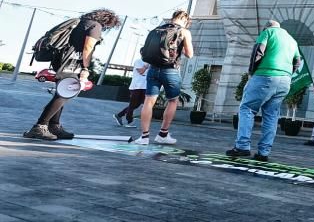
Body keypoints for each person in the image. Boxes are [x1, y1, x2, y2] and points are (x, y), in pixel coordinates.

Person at [24, 9, 122, 140]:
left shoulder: (81, 22)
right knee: (64, 95)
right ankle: (39, 127)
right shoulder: (95, 26)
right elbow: (88, 47)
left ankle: (54, 126)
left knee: (61, 94)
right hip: (71, 64)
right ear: (107, 22)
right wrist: (86, 68)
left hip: (60, 60)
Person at [226, 20, 300, 161]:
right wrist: (287, 74)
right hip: (285, 80)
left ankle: (242, 146)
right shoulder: (292, 40)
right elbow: (297, 62)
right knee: (271, 115)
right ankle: (263, 153)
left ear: (267, 27)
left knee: (247, 108)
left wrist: (251, 72)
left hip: (265, 76)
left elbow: (258, 52)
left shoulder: (267, 32)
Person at [133, 10, 194, 145]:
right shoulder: (184, 32)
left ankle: (144, 137)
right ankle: (163, 134)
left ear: (173, 18)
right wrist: (182, 48)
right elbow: (190, 54)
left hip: (153, 69)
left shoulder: (158, 29)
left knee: (149, 102)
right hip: (170, 71)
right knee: (173, 101)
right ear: (185, 20)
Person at [114, 51, 148, 128]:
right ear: (141, 52)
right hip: (136, 86)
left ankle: (119, 115)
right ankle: (129, 121)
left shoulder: (149, 62)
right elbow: (141, 72)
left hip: (144, 86)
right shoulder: (138, 61)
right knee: (133, 104)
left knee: (137, 104)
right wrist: (147, 65)